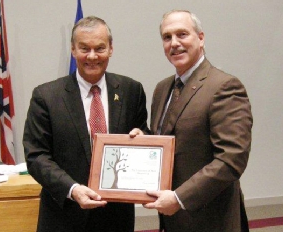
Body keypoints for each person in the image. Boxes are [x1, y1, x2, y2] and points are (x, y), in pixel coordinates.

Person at [130, 10, 253, 232]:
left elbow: (231, 159)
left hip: (211, 221)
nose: (174, 43)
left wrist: (179, 198)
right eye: (167, 37)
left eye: (182, 34)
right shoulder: (162, 88)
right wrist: (144, 140)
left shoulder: (224, 87)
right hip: (172, 221)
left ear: (201, 38)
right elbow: (172, 139)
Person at [23, 16, 149, 232]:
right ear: (73, 50)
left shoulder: (131, 90)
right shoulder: (46, 96)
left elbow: (143, 133)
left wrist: (143, 139)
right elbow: (36, 156)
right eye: (84, 48)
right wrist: (72, 189)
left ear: (111, 49)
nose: (92, 56)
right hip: (64, 217)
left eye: (100, 48)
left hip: (116, 218)